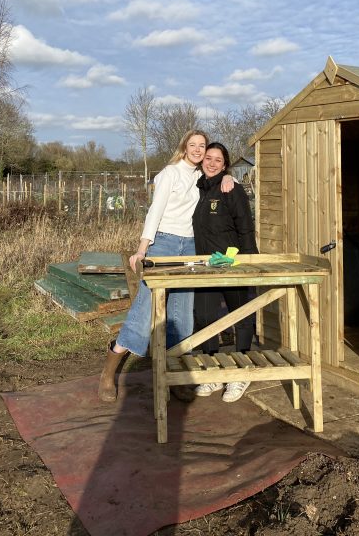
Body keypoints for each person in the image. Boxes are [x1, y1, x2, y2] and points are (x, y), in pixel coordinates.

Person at [98, 129, 234, 403]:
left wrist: (228, 175)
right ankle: (109, 371)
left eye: (202, 146)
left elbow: (219, 177)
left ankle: (173, 377)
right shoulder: (170, 173)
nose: (198, 150)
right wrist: (142, 248)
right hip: (165, 243)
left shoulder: (200, 177)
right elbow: (155, 211)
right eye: (193, 145)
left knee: (182, 312)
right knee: (145, 307)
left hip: (191, 247)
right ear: (184, 147)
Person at [192, 142, 258, 403]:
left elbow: (245, 226)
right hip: (206, 266)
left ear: (225, 165)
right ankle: (213, 371)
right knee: (206, 316)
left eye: (218, 160)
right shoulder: (198, 189)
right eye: (208, 158)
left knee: (240, 314)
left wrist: (248, 261)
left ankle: (241, 371)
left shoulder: (232, 189)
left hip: (232, 263)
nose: (211, 163)